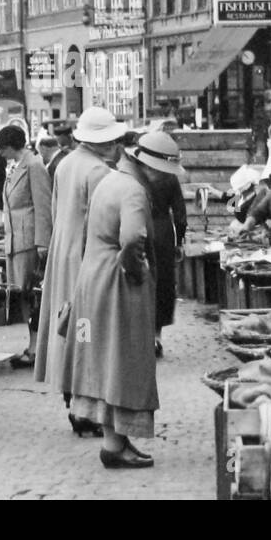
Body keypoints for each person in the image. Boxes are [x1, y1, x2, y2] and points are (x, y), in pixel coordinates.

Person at [65, 130, 184, 469]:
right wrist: (135, 272)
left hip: (95, 278)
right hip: (117, 285)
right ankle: (115, 445)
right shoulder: (134, 191)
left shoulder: (111, 180)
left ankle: (114, 441)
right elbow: (133, 238)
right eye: (165, 171)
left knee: (105, 362)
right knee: (126, 361)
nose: (166, 179)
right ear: (153, 166)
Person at [34, 107, 126, 434]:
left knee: (67, 328)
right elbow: (100, 227)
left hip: (63, 260)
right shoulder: (100, 172)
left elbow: (58, 211)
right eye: (113, 140)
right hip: (86, 264)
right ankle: (84, 408)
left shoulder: (66, 164)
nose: (117, 145)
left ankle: (70, 398)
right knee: (87, 331)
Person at [0, 125, 53, 369]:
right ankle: (33, 345)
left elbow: (43, 205)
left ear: (11, 146)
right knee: (23, 296)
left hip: (29, 241)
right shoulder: (15, 167)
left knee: (32, 295)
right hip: (14, 240)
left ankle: (36, 348)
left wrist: (43, 241)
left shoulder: (34, 166)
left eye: (2, 147)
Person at [137, 131, 186, 357]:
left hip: (140, 227)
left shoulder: (135, 175)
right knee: (163, 284)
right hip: (164, 232)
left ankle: (141, 335)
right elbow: (180, 214)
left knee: (141, 282)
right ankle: (156, 337)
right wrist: (180, 241)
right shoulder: (170, 177)